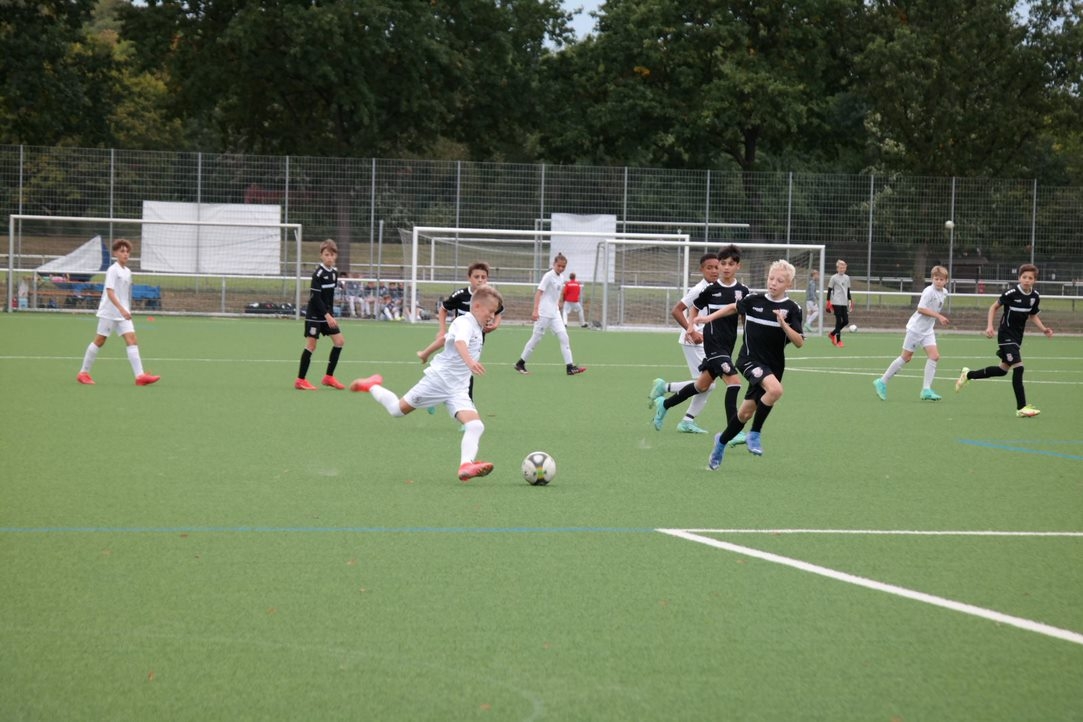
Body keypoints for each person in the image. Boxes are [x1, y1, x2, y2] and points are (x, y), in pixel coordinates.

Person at [351, 285, 504, 481]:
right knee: (396, 410)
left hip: (458, 388)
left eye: (494, 313)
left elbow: (444, 340)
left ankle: (466, 465)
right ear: (476, 306)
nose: (492, 316)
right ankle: (371, 385)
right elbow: (459, 343)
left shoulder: (475, 326)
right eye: (490, 311)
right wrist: (470, 362)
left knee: (475, 426)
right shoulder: (465, 322)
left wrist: (425, 353)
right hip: (438, 381)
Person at [703, 259, 804, 469]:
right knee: (775, 390)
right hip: (749, 360)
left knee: (744, 414)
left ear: (789, 284)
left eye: (779, 280)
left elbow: (799, 342)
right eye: (771, 278)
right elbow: (732, 308)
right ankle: (755, 434)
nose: (773, 283)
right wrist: (708, 318)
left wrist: (784, 325)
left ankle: (720, 443)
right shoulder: (753, 300)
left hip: (773, 367)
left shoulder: (792, 309)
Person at [649, 246, 749, 437]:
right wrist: (691, 327)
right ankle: (734, 432)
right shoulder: (708, 289)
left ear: (738, 266)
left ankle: (665, 403)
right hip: (711, 344)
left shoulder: (743, 291)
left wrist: (749, 338)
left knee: (702, 385)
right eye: (722, 264)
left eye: (730, 264)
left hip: (727, 344)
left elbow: (745, 317)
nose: (725, 268)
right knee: (734, 383)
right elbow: (692, 308)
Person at [955, 263, 1053, 417]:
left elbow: (1032, 315)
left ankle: (968, 374)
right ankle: (1021, 408)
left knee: (1002, 371)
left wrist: (1044, 329)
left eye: (1030, 278)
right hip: (1005, 335)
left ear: (1035, 280)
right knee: (1019, 368)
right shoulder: (1011, 293)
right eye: (1024, 277)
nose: (1027, 280)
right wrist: (990, 326)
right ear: (1019, 278)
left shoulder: (1035, 296)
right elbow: (993, 307)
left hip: (1017, 337)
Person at [76, 239, 160, 386]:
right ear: (115, 253)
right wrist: (121, 309)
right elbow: (110, 292)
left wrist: (125, 309)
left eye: (127, 251)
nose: (125, 254)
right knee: (100, 341)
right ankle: (83, 373)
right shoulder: (112, 270)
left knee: (132, 339)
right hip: (109, 312)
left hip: (123, 314)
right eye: (122, 251)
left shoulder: (127, 272)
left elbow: (124, 294)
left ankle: (140, 376)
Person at [874, 265, 950, 401]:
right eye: (936, 279)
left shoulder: (944, 292)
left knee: (934, 356)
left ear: (946, 281)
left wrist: (936, 318)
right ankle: (882, 381)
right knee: (906, 357)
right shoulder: (928, 291)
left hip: (927, 330)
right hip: (916, 329)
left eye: (941, 279)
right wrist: (939, 316)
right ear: (932, 279)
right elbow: (920, 308)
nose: (938, 281)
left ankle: (926, 390)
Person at [514, 253, 586, 376]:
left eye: (563, 266)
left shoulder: (561, 277)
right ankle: (520, 363)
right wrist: (535, 310)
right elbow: (539, 292)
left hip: (555, 313)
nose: (561, 268)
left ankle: (570, 367)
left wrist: (558, 303)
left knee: (564, 337)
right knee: (536, 339)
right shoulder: (548, 276)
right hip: (544, 313)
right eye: (559, 266)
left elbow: (556, 293)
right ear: (554, 264)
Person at [417, 262, 497, 364]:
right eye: (476, 277)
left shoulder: (490, 296)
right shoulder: (460, 295)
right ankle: (426, 356)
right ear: (469, 278)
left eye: (483, 277)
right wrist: (442, 329)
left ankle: (424, 354)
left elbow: (498, 311)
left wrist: (495, 325)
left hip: (478, 334)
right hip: (461, 329)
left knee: (453, 345)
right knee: (455, 350)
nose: (480, 280)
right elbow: (443, 309)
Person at [295, 239, 346, 390]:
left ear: (336, 256)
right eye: (326, 255)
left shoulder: (334, 273)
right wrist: (326, 315)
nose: (329, 258)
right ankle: (300, 380)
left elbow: (329, 297)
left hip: (326, 315)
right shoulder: (318, 274)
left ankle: (329, 377)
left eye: (332, 255)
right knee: (311, 346)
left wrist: (330, 314)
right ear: (321, 256)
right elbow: (315, 298)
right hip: (315, 316)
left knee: (339, 341)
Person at [826, 259, 853, 347]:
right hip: (836, 301)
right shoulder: (833, 278)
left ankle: (832, 334)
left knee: (845, 321)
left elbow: (848, 290)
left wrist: (850, 301)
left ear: (845, 268)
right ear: (837, 268)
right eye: (840, 268)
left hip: (844, 302)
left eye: (843, 268)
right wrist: (828, 301)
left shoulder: (847, 278)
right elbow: (829, 290)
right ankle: (838, 341)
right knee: (838, 321)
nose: (842, 269)